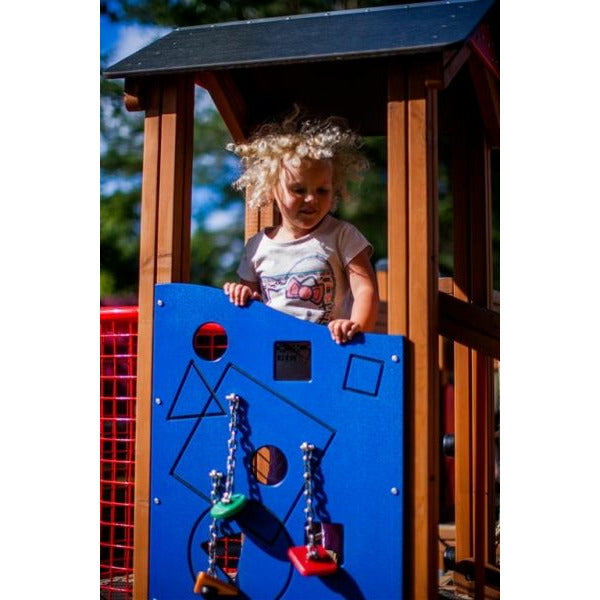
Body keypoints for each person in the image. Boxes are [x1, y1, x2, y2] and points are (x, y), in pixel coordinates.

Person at [223, 110, 379, 344]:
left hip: (329, 348)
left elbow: (365, 290)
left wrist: (355, 327)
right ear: (271, 188)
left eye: (322, 190)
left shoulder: (342, 235)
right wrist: (242, 295)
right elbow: (251, 306)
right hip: (273, 352)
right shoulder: (257, 247)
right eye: (298, 190)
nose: (311, 199)